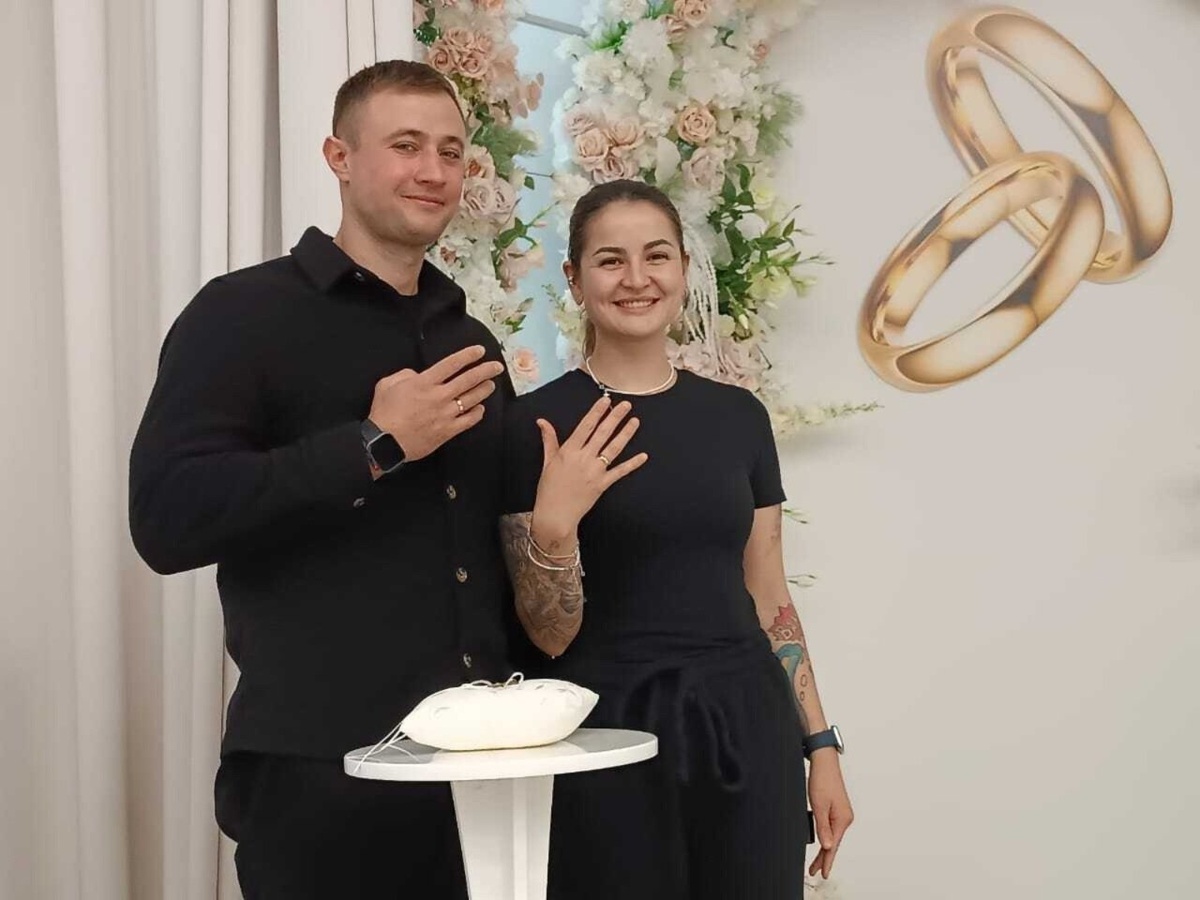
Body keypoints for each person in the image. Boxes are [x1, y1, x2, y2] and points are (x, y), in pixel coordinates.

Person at [129, 61, 519, 899]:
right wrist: (375, 445)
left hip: (479, 772)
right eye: (406, 145)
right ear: (338, 157)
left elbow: (499, 545)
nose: (433, 170)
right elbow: (165, 521)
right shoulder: (241, 313)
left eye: (451, 151)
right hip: (320, 773)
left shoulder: (474, 343)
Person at [499, 179, 855, 899]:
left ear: (685, 269)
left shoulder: (739, 418)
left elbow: (769, 593)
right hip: (606, 734)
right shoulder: (534, 425)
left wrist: (820, 745)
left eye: (656, 256)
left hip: (746, 724)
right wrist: (556, 525)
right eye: (611, 260)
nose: (637, 278)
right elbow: (546, 637)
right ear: (574, 279)